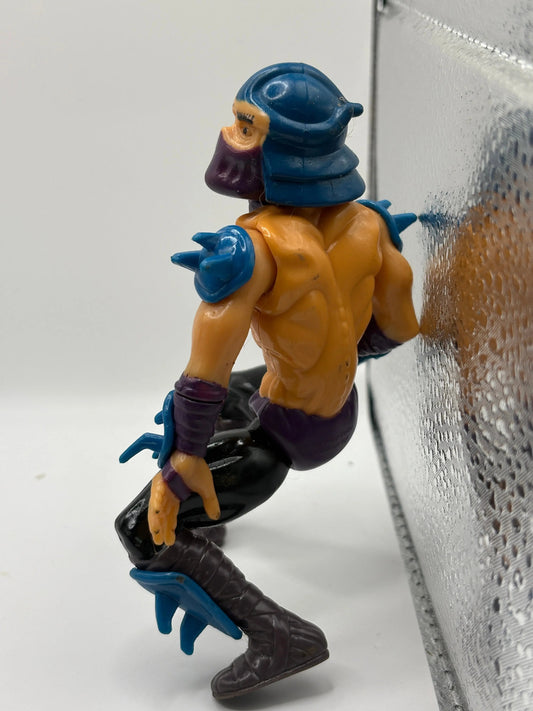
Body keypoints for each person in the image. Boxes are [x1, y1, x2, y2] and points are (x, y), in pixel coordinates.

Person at [116, 62, 419, 700]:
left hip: (282, 435)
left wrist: (185, 462)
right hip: (337, 410)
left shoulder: (252, 250)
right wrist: (330, 361)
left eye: (247, 125)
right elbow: (398, 328)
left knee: (143, 528)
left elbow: (205, 371)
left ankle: (278, 635)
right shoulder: (371, 227)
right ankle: (211, 518)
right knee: (232, 397)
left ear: (282, 151)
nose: (231, 136)